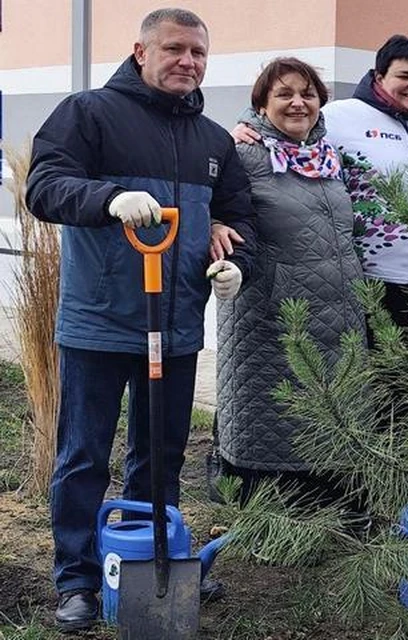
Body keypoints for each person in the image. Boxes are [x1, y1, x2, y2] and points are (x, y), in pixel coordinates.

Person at [25, 8, 256, 631]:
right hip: (99, 322)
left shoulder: (212, 141)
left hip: (176, 325)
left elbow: (238, 218)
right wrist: (106, 199)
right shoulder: (90, 113)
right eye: (175, 50)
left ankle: (158, 558)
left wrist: (237, 261)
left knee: (161, 455)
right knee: (82, 455)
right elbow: (44, 186)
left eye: (198, 53)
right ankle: (76, 577)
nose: (188, 62)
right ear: (140, 52)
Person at [226, 35, 408, 334]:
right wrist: (245, 125)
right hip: (367, 282)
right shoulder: (343, 116)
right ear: (379, 77)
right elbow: (290, 120)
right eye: (405, 76)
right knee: (370, 377)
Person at [213, 58, 366, 507]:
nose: (298, 103)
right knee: (269, 407)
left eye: (308, 94)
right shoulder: (240, 154)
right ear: (261, 104)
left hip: (339, 308)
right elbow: (211, 206)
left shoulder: (329, 156)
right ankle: (266, 508)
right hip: (271, 310)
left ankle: (329, 504)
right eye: (284, 94)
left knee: (331, 404)